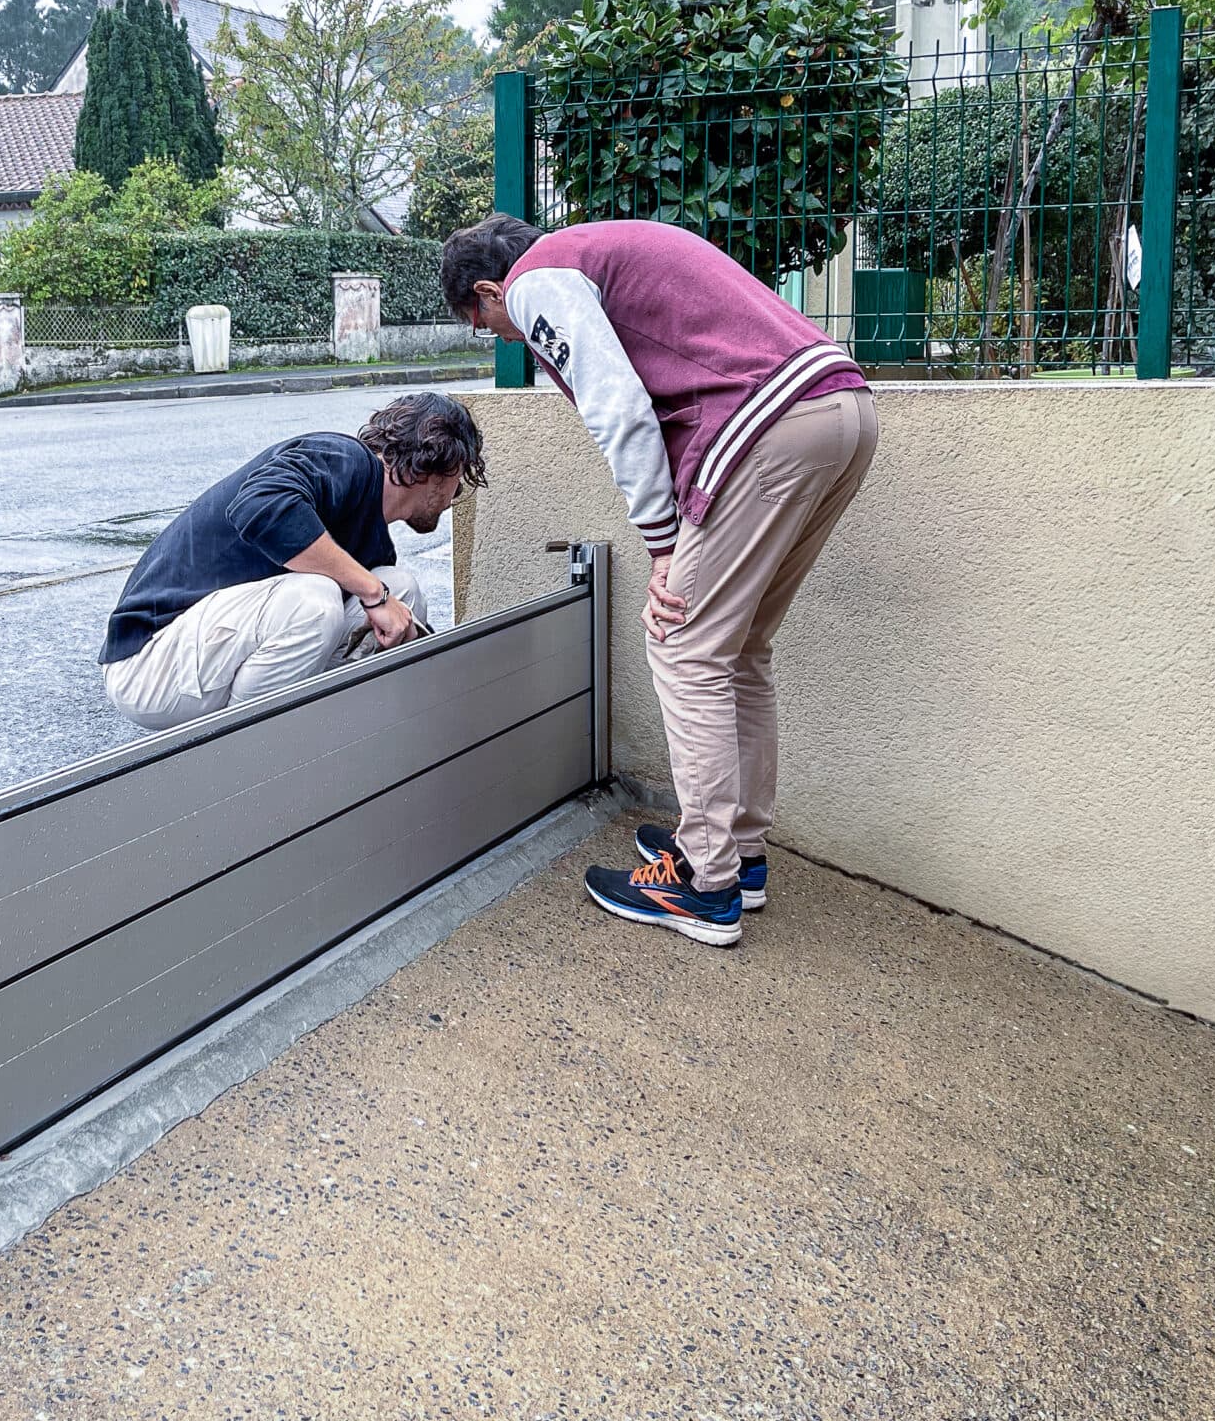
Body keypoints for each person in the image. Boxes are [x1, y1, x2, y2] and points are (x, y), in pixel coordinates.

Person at [441, 212, 876, 948]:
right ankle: (739, 855)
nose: (501, 334)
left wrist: (664, 543)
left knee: (683, 645)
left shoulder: (537, 280)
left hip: (768, 426)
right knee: (738, 650)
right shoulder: (606, 248)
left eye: (484, 322)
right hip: (842, 410)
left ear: (489, 288)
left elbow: (619, 408)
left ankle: (706, 887)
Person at [100, 393, 485, 731]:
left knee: (400, 590)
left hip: (205, 666)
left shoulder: (371, 542)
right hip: (150, 662)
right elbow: (259, 505)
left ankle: (336, 744)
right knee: (318, 598)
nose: (455, 495)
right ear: (441, 468)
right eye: (459, 480)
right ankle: (247, 758)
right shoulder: (344, 458)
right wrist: (372, 595)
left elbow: (387, 601)